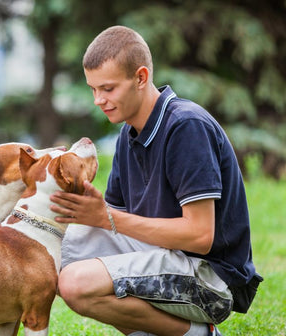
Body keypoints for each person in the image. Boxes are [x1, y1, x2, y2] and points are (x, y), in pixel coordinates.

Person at [50, 26, 262, 336]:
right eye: (93, 89)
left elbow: (200, 236)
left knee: (75, 282)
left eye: (108, 88)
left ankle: (200, 334)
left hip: (212, 279)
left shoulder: (186, 126)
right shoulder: (128, 135)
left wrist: (106, 217)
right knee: (49, 255)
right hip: (161, 255)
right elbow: (114, 224)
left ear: (141, 77)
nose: (98, 99)